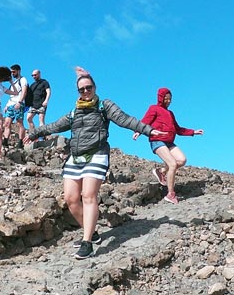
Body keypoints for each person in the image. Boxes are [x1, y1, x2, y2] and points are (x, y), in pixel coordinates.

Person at [24, 66, 166, 259]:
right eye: (81, 89)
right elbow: (55, 125)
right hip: (75, 157)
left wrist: (147, 130)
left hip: (97, 154)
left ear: (95, 87)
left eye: (88, 88)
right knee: (71, 199)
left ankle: (87, 242)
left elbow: (125, 120)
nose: (85, 92)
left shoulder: (104, 106)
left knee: (88, 195)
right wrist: (33, 133)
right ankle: (92, 232)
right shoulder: (74, 112)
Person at [132, 88, 204, 204]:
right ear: (161, 98)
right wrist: (138, 132)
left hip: (169, 142)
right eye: (166, 98)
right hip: (157, 141)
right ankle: (171, 194)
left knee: (182, 160)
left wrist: (193, 132)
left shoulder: (170, 113)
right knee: (172, 164)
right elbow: (145, 122)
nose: (168, 101)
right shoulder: (154, 108)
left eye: (170, 99)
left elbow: (178, 129)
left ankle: (160, 171)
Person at [2, 64, 28, 147]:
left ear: (18, 71)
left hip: (18, 104)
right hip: (11, 104)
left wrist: (20, 102)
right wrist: (6, 105)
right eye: (11, 72)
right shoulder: (13, 83)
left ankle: (21, 143)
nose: (12, 74)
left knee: (19, 123)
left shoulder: (23, 80)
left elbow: (24, 91)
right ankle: (5, 142)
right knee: (7, 123)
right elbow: (11, 95)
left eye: (14, 72)